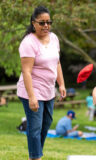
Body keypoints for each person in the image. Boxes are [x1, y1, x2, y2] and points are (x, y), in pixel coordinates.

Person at [17, 6, 66, 160]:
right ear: (33, 23)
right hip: (32, 89)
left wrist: (62, 84)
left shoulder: (54, 38)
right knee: (35, 126)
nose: (46, 26)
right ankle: (36, 157)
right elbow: (26, 72)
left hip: (49, 90)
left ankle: (35, 155)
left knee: (46, 124)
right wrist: (32, 97)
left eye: (48, 22)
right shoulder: (28, 43)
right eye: (42, 23)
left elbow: (57, 63)